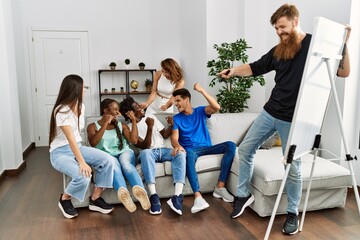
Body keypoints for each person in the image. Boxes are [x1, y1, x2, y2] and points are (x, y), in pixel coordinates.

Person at [219, 4, 351, 235]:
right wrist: (233, 71)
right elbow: (256, 67)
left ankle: (292, 213)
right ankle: (243, 195)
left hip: (296, 119)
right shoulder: (279, 50)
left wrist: (344, 44)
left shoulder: (314, 45)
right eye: (276, 29)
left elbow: (343, 72)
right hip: (270, 112)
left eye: (283, 27)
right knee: (246, 148)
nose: (280, 32)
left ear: (295, 21)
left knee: (293, 167)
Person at [49, 74, 114, 219]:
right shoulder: (61, 111)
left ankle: (95, 199)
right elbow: (70, 139)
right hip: (60, 152)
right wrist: (82, 162)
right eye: (83, 86)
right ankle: (64, 199)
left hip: (78, 147)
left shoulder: (81, 107)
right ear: (75, 89)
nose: (84, 89)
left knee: (108, 160)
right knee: (83, 175)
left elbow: (76, 139)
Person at [171, 84, 236, 214]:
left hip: (207, 147)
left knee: (230, 145)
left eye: (178, 100)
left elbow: (216, 107)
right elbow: (174, 138)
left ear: (187, 100)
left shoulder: (200, 111)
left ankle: (220, 186)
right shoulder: (176, 118)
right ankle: (198, 196)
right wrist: (177, 146)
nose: (176, 104)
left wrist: (202, 90)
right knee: (188, 153)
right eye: (174, 101)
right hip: (191, 150)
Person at [119, 96, 186, 215]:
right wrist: (149, 128)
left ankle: (177, 197)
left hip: (164, 150)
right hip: (149, 153)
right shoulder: (130, 128)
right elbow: (145, 146)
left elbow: (165, 135)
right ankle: (154, 196)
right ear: (131, 113)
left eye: (139, 105)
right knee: (145, 153)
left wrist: (171, 125)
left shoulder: (151, 117)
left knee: (180, 153)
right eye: (137, 107)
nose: (141, 106)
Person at [87, 98, 150, 213]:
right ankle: (124, 195)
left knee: (126, 164)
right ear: (105, 110)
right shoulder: (92, 126)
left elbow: (134, 140)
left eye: (118, 110)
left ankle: (142, 192)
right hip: (107, 157)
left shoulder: (122, 125)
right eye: (115, 109)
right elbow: (94, 142)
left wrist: (134, 121)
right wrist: (105, 123)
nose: (117, 113)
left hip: (124, 152)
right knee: (114, 167)